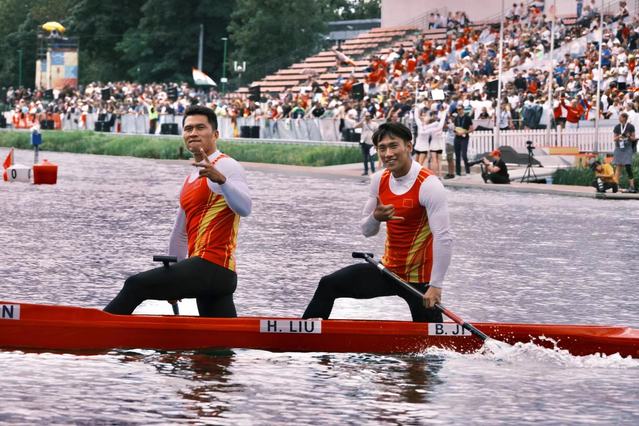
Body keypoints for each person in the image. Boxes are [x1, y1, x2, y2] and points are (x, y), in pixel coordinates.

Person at [104, 105, 252, 316]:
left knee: (136, 285)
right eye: (188, 129)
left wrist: (222, 180)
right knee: (218, 336)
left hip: (213, 266)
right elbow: (180, 233)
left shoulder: (227, 166)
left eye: (200, 127)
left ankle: (96, 329)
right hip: (208, 273)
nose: (193, 133)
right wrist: (172, 274)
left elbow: (245, 208)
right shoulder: (190, 179)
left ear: (215, 134)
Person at [302, 122, 453, 322]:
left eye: (393, 146)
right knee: (328, 284)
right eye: (382, 148)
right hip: (387, 271)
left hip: (420, 281)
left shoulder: (429, 184)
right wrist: (376, 217)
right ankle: (304, 333)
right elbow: (366, 231)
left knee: (433, 340)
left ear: (409, 146)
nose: (388, 153)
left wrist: (436, 285)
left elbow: (444, 237)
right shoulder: (379, 179)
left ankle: (434, 338)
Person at [612, 112, 637, 193]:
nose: (619, 118)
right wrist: (619, 136)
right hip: (619, 148)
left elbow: (633, 138)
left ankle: (632, 186)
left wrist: (628, 136)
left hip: (627, 148)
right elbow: (614, 139)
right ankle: (616, 185)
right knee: (618, 166)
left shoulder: (630, 126)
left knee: (628, 166)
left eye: (620, 117)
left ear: (624, 118)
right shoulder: (617, 127)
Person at [453, 105, 473, 176]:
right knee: (457, 155)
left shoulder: (467, 118)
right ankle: (458, 173)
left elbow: (471, 129)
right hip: (457, 137)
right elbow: (455, 127)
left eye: (460, 109)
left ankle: (467, 171)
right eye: (457, 110)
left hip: (464, 138)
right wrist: (455, 132)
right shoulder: (456, 118)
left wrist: (464, 132)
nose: (459, 111)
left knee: (464, 155)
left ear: (463, 109)